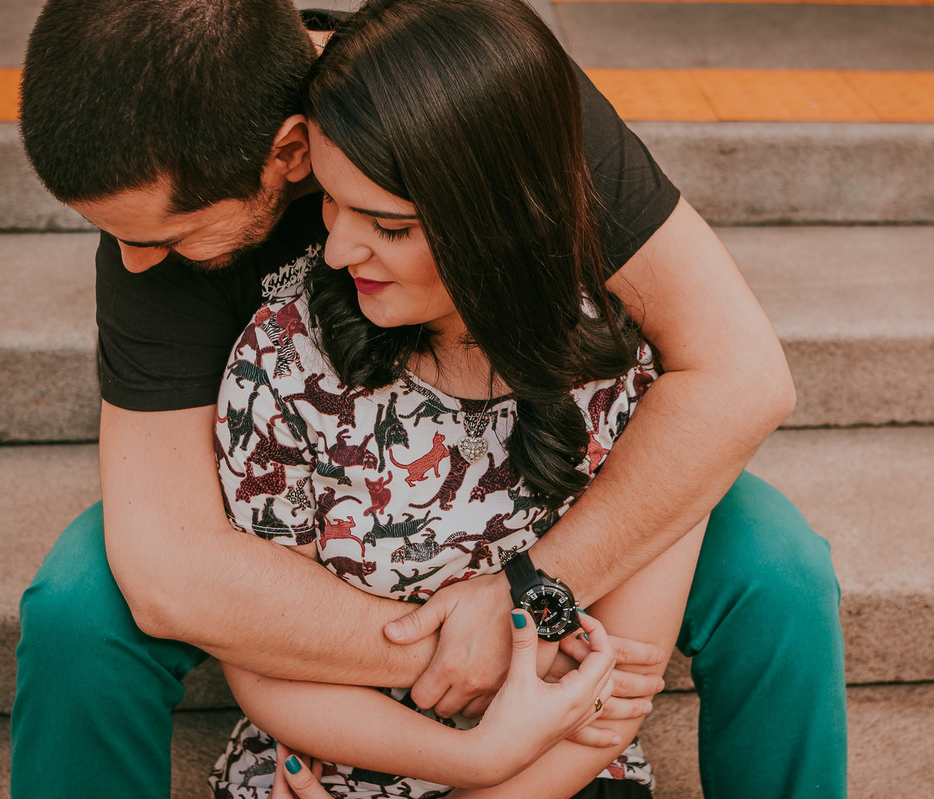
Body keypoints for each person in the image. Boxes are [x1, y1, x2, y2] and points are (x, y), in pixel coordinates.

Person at [13, 0, 847, 796]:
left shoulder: (479, 84)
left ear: (292, 151)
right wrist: (485, 653)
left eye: (164, 237)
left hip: (537, 464)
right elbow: (172, 567)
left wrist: (527, 592)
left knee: (777, 569)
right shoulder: (168, 229)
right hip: (299, 491)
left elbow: (738, 372)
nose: (133, 266)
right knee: (79, 609)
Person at [208, 1, 704, 794]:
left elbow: (618, 686)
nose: (336, 248)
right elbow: (264, 664)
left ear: (500, 218)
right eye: (331, 202)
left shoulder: (622, 366)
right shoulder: (283, 363)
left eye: (388, 225)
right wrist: (476, 751)